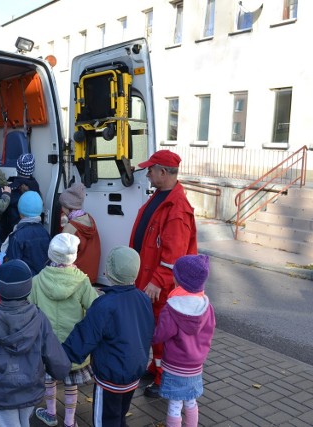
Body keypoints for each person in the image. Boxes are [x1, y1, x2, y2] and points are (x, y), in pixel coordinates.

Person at [0, 260, 71, 427]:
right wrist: (62, 370)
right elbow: (54, 356)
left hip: (1, 391)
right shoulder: (40, 319)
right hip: (30, 388)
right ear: (28, 288)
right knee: (24, 422)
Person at [128, 150, 197, 398]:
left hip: (162, 285)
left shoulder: (176, 208)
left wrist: (157, 281)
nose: (147, 173)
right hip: (149, 278)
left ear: (163, 172)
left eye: (150, 169)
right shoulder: (162, 196)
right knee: (152, 328)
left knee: (160, 332)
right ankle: (154, 367)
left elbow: (174, 255)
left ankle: (162, 377)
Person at [62, 246, 154, 427]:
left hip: (111, 376)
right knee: (119, 415)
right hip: (134, 370)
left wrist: (61, 357)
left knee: (105, 421)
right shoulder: (143, 298)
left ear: (109, 272)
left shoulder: (104, 305)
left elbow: (84, 337)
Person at [30, 233, 99, 427]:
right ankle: (70, 421)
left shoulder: (37, 281)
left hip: (47, 344)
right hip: (74, 345)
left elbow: (29, 308)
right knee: (71, 384)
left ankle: (51, 412)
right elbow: (94, 307)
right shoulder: (82, 281)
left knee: (49, 380)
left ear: (51, 254)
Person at [153, 254, 215, 427]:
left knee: (174, 404)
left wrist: (150, 334)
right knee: (190, 401)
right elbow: (210, 330)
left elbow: (160, 334)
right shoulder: (206, 306)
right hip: (195, 365)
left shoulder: (172, 307)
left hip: (175, 365)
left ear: (180, 280)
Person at [58, 182, 101, 285]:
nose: (61, 209)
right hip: (90, 277)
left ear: (68, 208)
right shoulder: (89, 219)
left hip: (77, 280)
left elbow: (61, 257)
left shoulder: (71, 228)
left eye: (62, 206)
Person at [2, 191, 50, 274]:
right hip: (41, 279)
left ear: (20, 212)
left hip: (25, 281)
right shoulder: (45, 232)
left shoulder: (17, 236)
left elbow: (13, 264)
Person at [4, 153, 41, 236]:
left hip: (14, 229)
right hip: (32, 230)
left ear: (17, 168)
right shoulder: (35, 186)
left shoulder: (11, 187)